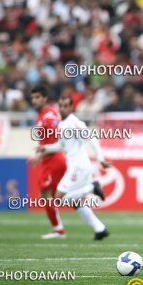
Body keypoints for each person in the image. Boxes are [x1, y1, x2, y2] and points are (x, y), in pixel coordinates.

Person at [37, 97, 111, 240]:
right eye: (61, 106)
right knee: (75, 202)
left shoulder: (74, 122)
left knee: (58, 199)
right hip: (75, 166)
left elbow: (92, 138)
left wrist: (100, 159)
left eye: (66, 106)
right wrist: (45, 148)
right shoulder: (61, 125)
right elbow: (61, 146)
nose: (63, 109)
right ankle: (100, 228)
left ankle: (92, 187)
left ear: (71, 108)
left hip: (79, 166)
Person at [27, 86, 67, 239]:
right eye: (33, 98)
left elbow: (56, 136)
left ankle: (58, 229)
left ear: (45, 98)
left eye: (37, 97)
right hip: (48, 160)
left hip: (54, 159)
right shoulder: (41, 116)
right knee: (49, 194)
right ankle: (58, 228)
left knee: (52, 194)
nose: (34, 100)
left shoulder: (49, 116)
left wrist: (40, 154)